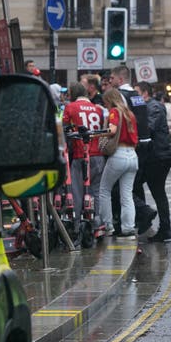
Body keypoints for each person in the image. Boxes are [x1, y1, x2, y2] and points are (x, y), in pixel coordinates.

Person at [110, 66, 157, 234]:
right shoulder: (137, 95)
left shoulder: (121, 95)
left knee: (119, 186)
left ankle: (144, 212)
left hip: (132, 145)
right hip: (146, 144)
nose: (110, 81)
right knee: (135, 185)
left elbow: (121, 120)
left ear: (120, 80)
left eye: (112, 78)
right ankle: (142, 220)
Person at [62, 82, 106, 236]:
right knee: (96, 190)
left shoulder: (71, 107)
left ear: (73, 93)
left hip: (81, 154)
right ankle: (97, 223)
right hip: (98, 154)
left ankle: (77, 225)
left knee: (77, 191)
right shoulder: (97, 109)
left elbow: (64, 129)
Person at [134, 81, 171, 242]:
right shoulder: (148, 106)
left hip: (159, 156)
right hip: (155, 156)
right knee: (148, 189)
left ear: (145, 93)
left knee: (153, 190)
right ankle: (150, 220)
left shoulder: (153, 107)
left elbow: (148, 128)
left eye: (136, 93)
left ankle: (153, 220)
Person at [98, 89, 139, 239]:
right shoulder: (130, 113)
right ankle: (128, 227)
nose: (106, 105)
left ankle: (108, 226)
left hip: (118, 155)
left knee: (104, 190)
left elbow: (112, 130)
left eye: (106, 102)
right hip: (133, 156)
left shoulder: (115, 111)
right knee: (127, 194)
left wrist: (97, 133)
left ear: (110, 100)